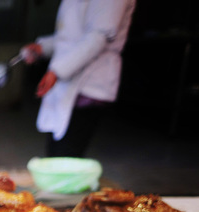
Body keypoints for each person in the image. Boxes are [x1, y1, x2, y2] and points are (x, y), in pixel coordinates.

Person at [22, 0, 136, 158]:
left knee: (66, 156)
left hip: (88, 84)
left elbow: (98, 37)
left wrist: (57, 71)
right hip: (66, 83)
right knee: (55, 153)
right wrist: (44, 46)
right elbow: (72, 36)